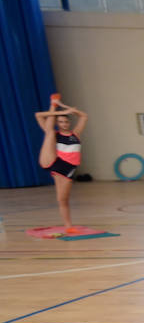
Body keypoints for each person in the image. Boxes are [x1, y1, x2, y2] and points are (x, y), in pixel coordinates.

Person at [33, 95, 88, 232]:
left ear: (69, 123)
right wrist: (59, 111)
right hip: (54, 162)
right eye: (61, 122)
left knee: (63, 199)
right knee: (49, 132)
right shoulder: (55, 133)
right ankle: (53, 103)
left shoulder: (75, 134)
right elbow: (38, 115)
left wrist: (68, 109)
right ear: (58, 123)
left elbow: (84, 116)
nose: (64, 124)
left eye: (66, 122)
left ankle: (68, 226)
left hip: (68, 169)